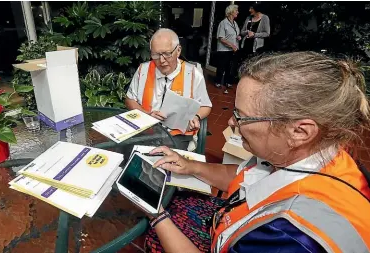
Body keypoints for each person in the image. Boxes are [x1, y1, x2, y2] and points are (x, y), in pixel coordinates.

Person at [144, 52, 370, 253]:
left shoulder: (290, 237)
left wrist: (156, 216)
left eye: (242, 116)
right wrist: (191, 166)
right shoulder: (314, 153)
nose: (231, 122)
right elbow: (247, 177)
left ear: (300, 131)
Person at [125, 28, 212, 150]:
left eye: (167, 54)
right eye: (155, 55)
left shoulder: (193, 73)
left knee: (171, 165)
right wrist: (146, 114)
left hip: (178, 135)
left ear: (178, 51)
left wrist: (196, 117)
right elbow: (129, 99)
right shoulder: (143, 70)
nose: (161, 60)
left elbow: (206, 105)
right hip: (146, 132)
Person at [215, 4, 241, 94]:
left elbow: (235, 34)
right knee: (221, 66)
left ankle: (227, 82)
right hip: (223, 50)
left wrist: (238, 37)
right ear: (231, 12)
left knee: (229, 67)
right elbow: (221, 38)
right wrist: (232, 45)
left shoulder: (235, 23)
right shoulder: (223, 23)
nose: (238, 12)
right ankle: (218, 82)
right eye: (236, 10)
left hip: (232, 50)